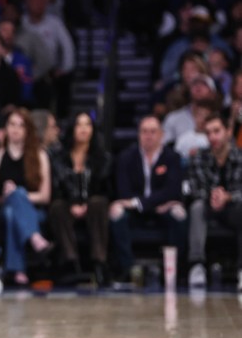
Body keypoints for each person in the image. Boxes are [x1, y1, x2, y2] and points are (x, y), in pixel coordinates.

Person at [110, 116, 186, 283]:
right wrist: (143, 204)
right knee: (115, 211)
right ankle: (127, 269)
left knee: (179, 212)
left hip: (162, 208)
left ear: (162, 135)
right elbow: (124, 192)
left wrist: (142, 202)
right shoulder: (126, 157)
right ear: (138, 134)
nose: (148, 135)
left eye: (153, 131)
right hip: (137, 210)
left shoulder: (172, 157)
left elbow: (172, 191)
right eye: (144, 131)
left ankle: (177, 271)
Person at [0, 108, 53, 287]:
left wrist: (19, 195)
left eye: (21, 125)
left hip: (34, 211)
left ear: (27, 130)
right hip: (3, 208)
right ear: (6, 128)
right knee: (9, 207)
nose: (15, 129)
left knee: (12, 211)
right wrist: (8, 196)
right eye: (12, 124)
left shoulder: (40, 156)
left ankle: (18, 270)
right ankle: (34, 238)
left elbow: (45, 196)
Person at [48, 113, 112, 285]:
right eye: (79, 125)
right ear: (72, 129)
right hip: (68, 206)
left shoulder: (102, 158)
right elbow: (56, 187)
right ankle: (71, 262)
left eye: (88, 125)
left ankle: (99, 262)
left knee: (98, 203)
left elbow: (105, 188)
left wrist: (85, 204)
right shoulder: (59, 158)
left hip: (93, 206)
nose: (84, 129)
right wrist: (72, 203)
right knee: (57, 207)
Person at [186, 113, 242, 291]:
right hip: (208, 206)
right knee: (196, 207)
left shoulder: (240, 157)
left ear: (228, 132)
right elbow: (194, 188)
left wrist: (229, 197)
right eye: (208, 133)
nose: (212, 137)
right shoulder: (198, 157)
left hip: (234, 208)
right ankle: (197, 265)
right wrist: (213, 195)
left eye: (216, 131)